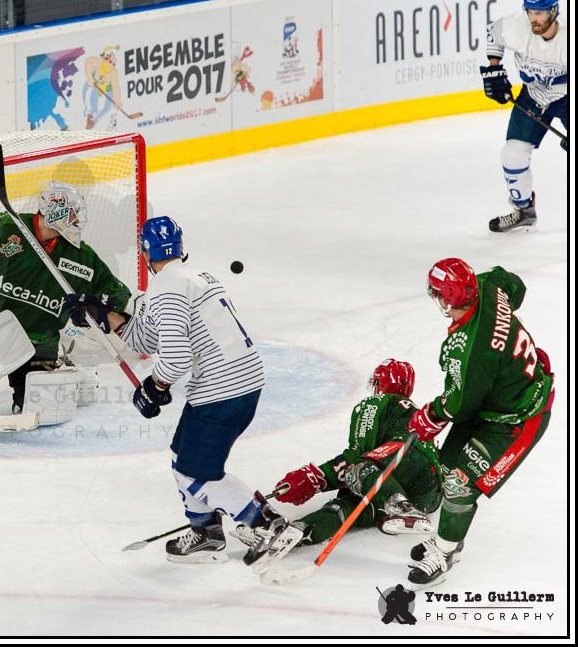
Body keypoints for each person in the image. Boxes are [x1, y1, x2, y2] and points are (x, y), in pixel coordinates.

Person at [66, 216, 298, 566]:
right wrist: (103, 315)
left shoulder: (167, 288)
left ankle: (268, 525)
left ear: (145, 252)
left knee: (195, 473)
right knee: (181, 457)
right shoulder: (194, 277)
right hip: (240, 382)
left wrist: (155, 386)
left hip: (222, 390)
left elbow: (176, 358)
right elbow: (148, 340)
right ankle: (206, 533)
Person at [406, 258, 554, 586]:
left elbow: (460, 404)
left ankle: (445, 552)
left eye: (437, 293)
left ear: (447, 300)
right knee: (448, 465)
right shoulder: (488, 285)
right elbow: (515, 285)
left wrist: (431, 416)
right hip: (494, 401)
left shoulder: (469, 349)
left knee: (460, 483)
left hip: (517, 418)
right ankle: (448, 536)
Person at [0, 181, 131, 413]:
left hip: (37, 338)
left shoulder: (81, 256)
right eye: (72, 214)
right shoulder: (6, 227)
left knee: (39, 408)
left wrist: (101, 309)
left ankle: (69, 373)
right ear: (56, 211)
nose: (76, 221)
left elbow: (117, 293)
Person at [272, 359, 442, 548]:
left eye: (376, 382)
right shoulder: (417, 414)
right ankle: (300, 531)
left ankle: (400, 506)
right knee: (349, 504)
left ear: (382, 383)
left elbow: (356, 456)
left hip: (404, 458)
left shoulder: (378, 402)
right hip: (427, 496)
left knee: (358, 470)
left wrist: (315, 477)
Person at [480, 0, 568, 233]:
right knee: (512, 154)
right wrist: (494, 70)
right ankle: (524, 211)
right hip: (533, 95)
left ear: (554, 11)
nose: (533, 18)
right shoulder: (518, 27)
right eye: (530, 11)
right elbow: (494, 32)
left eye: (539, 13)